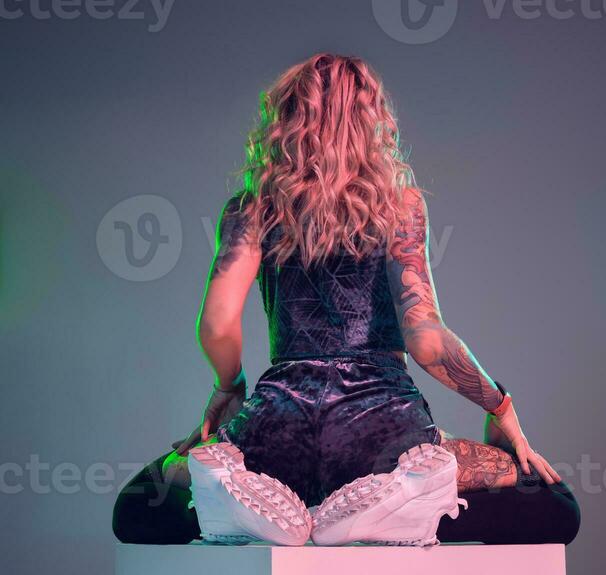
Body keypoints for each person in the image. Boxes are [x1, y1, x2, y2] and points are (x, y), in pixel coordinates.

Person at [113, 53, 580, 547]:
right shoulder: (399, 207)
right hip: (385, 439)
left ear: (284, 124)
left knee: (136, 506)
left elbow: (218, 323)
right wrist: (500, 407)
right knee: (555, 506)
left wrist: (229, 386)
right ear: (373, 124)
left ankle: (240, 499)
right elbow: (425, 339)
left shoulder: (251, 210)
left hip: (274, 436)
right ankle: (392, 505)